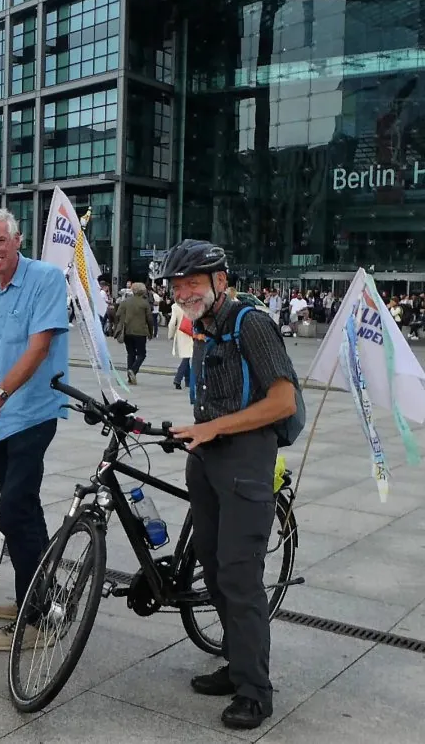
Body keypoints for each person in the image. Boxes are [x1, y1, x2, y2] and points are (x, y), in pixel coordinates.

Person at [162, 239, 299, 731]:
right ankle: (235, 664)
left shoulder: (251, 324)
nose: (183, 292)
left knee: (240, 579)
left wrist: (216, 428)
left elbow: (283, 401)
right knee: (215, 570)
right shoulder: (201, 327)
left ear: (221, 280)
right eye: (177, 286)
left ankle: (254, 692)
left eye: (192, 283)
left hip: (246, 461)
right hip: (207, 460)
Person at [0, 208, 70, 652]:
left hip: (33, 411)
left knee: (12, 513)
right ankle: (41, 597)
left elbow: (40, 347)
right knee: (25, 509)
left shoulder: (46, 278)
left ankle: (37, 621)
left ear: (17, 239)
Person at [116, 281, 154, 384]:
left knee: (130, 353)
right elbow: (149, 319)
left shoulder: (125, 302)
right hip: (140, 332)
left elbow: (118, 314)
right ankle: (133, 370)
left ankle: (130, 377)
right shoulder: (144, 303)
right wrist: (151, 331)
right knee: (142, 354)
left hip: (127, 331)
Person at [167, 300, 194, 393]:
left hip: (181, 333)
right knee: (187, 356)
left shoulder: (176, 306)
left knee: (186, 356)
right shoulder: (193, 304)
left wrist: (170, 334)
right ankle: (181, 379)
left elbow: (172, 322)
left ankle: (184, 380)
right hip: (191, 332)